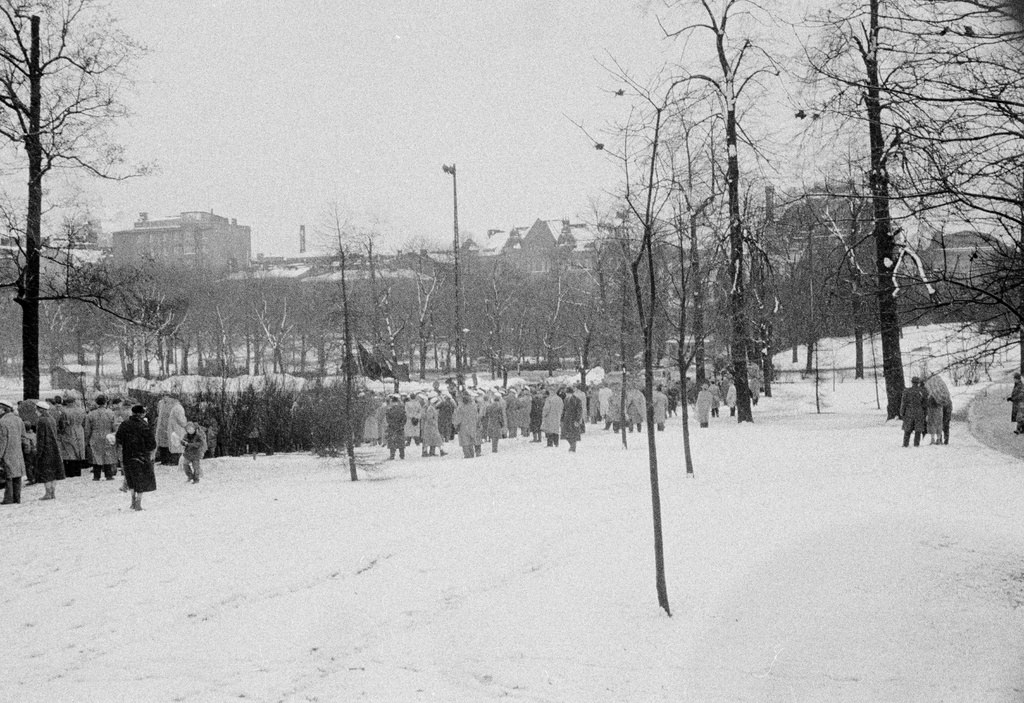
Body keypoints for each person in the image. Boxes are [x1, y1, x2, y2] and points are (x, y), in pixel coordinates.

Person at [116, 404, 157, 511]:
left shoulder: (124, 424)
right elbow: (152, 444)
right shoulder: (145, 425)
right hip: (141, 456)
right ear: (142, 413)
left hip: (127, 455)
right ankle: (138, 503)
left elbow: (118, 438)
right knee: (141, 480)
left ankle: (132, 502)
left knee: (131, 479)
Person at [34, 400, 65, 500]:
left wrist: (38, 452)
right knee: (54, 471)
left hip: (46, 449)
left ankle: (48, 493)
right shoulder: (51, 419)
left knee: (46, 471)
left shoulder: (41, 420)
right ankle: (53, 492)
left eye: (36, 409)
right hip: (54, 447)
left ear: (40, 410)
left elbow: (40, 437)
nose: (36, 411)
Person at [84, 395, 118, 481]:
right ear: (106, 402)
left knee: (96, 455)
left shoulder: (91, 414)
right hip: (108, 435)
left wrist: (87, 439)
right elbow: (115, 427)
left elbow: (87, 429)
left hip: (95, 435)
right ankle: (108, 474)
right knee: (108, 454)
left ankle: (96, 475)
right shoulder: (111, 413)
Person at [0, 399, 26, 504]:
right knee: (17, 475)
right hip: (17, 450)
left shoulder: (2, 422)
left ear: (3, 410)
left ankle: (8, 498)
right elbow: (23, 436)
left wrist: (0, 454)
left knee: (9, 475)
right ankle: (17, 497)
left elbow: (2, 440)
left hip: (7, 451)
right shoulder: (19, 420)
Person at [55, 394, 88, 478]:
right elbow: (85, 422)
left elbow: (62, 424)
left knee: (69, 451)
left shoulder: (65, 411)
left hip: (69, 430)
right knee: (79, 450)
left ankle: (70, 472)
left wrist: (60, 432)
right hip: (80, 430)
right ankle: (78, 471)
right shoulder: (81, 410)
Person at [923, 374, 953, 445]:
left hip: (940, 410)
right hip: (947, 408)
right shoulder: (944, 394)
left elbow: (929, 404)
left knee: (938, 423)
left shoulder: (935, 396)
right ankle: (945, 440)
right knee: (945, 425)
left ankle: (939, 440)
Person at [900, 377, 928, 447]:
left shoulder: (906, 391)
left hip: (909, 411)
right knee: (918, 429)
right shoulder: (922, 391)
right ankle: (916, 444)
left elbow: (903, 403)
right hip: (919, 411)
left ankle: (905, 443)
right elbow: (925, 404)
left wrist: (902, 412)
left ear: (912, 382)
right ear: (918, 383)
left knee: (907, 429)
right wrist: (925, 413)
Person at [452, 392, 480, 459]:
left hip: (463, 427)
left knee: (465, 442)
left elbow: (458, 418)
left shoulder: (461, 408)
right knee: (471, 441)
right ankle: (472, 454)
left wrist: (455, 424)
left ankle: (467, 455)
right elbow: (477, 417)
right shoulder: (473, 407)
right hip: (472, 426)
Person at [384, 395, 407, 460]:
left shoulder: (389, 410)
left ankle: (392, 455)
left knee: (392, 441)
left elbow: (388, 420)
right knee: (401, 441)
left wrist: (393, 424)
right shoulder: (402, 410)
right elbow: (405, 419)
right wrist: (401, 425)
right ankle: (402, 455)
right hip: (400, 428)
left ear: (392, 402)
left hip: (392, 428)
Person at [562, 387, 583, 452]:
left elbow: (579, 410)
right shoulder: (565, 399)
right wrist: (562, 418)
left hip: (573, 419)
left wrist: (577, 420)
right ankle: (572, 446)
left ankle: (573, 447)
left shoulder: (577, 400)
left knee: (573, 434)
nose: (567, 394)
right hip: (567, 419)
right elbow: (564, 409)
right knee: (566, 434)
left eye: (568, 393)